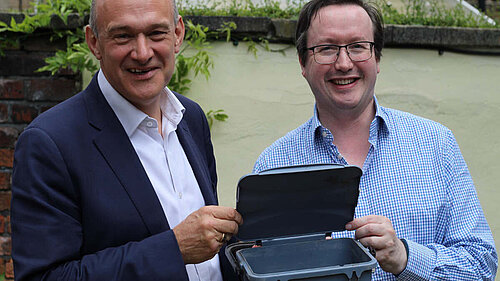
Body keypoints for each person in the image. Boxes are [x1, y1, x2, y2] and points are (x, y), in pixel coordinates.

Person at [253, 0, 498, 279]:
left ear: (377, 58)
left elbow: (482, 265)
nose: (344, 64)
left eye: (358, 46)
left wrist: (406, 257)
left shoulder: (436, 145)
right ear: (303, 62)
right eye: (327, 49)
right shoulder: (273, 165)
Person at [10, 0, 242, 280]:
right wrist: (174, 249)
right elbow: (45, 277)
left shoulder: (191, 118)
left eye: (157, 33)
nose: (143, 53)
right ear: (94, 42)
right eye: (123, 36)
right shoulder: (49, 144)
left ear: (178, 34)